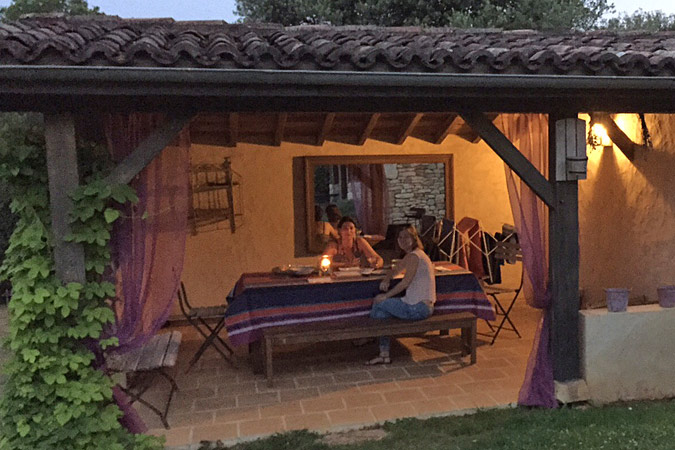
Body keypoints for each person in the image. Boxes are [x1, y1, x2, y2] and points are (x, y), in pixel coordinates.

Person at [366, 225, 436, 365]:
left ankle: (371, 339)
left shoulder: (415, 256)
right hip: (421, 306)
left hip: (418, 307)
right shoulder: (414, 254)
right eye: (400, 237)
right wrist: (387, 278)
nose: (402, 240)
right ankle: (383, 353)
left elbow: (405, 283)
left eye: (406, 237)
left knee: (379, 303)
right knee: (382, 313)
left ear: (414, 239)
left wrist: (386, 296)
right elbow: (397, 269)